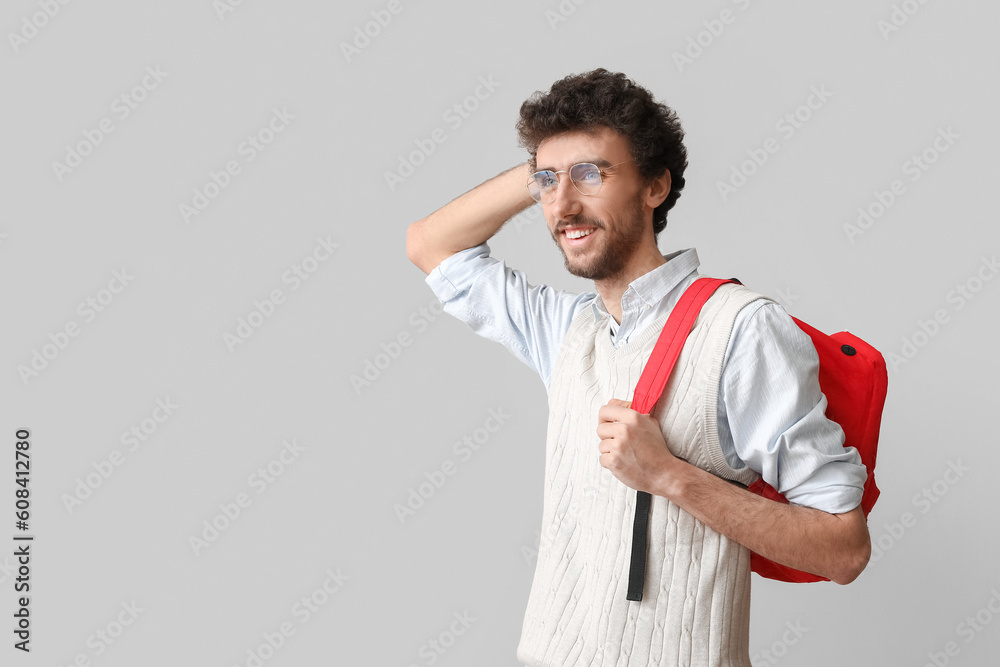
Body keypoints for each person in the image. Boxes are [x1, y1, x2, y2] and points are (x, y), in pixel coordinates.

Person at [405, 68, 871, 667]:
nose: (564, 205)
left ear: (654, 186)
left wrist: (669, 475)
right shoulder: (568, 330)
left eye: (593, 174)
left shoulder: (740, 328)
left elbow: (843, 550)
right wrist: (550, 176)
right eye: (548, 182)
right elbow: (430, 244)